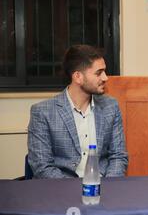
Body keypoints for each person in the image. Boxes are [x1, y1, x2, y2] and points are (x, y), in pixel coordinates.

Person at [27, 45, 128, 178]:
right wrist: (77, 190)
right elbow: (42, 167)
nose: (105, 78)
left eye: (104, 72)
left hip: (103, 188)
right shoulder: (42, 112)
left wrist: (105, 187)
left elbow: (118, 157)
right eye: (99, 73)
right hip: (59, 190)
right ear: (78, 77)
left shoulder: (111, 107)